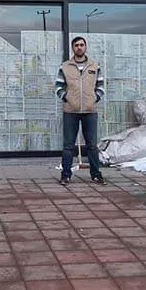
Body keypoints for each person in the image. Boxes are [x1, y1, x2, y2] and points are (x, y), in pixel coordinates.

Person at [55, 36, 105, 185]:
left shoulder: (94, 66)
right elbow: (58, 87)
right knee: (68, 146)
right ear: (73, 48)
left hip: (90, 111)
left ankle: (96, 175)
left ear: (85, 47)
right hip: (71, 111)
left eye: (82, 45)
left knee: (92, 145)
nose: (79, 47)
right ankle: (66, 175)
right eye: (76, 45)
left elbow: (101, 86)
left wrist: (95, 98)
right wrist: (67, 98)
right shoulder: (65, 66)